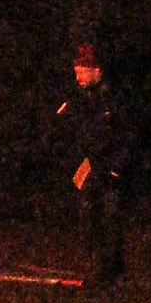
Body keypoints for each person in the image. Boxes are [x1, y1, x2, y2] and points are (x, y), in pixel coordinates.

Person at [60, 44, 129, 286]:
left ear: (96, 71)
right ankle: (98, 266)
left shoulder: (113, 99)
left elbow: (124, 136)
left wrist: (116, 168)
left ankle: (110, 269)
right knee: (89, 215)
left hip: (109, 167)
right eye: (76, 71)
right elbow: (72, 133)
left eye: (82, 71)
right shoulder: (80, 99)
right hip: (91, 165)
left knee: (109, 216)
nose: (78, 77)